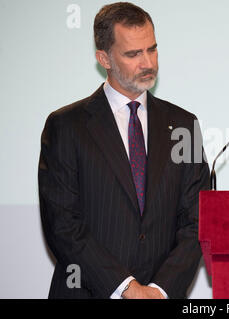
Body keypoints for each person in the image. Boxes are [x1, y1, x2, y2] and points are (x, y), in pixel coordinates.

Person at [38, 2, 210, 299]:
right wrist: (126, 287)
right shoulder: (66, 126)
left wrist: (159, 290)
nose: (148, 63)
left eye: (152, 49)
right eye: (133, 54)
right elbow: (62, 224)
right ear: (103, 57)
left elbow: (198, 219)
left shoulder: (184, 124)